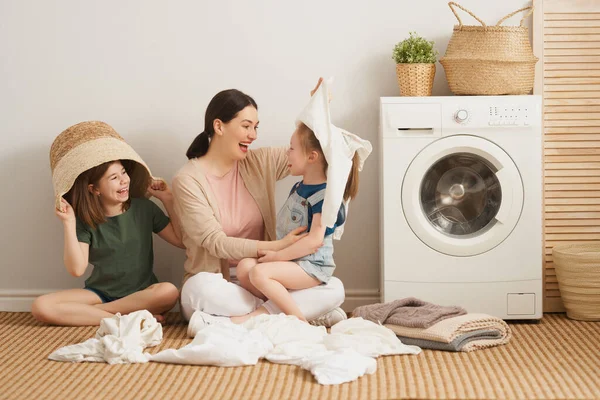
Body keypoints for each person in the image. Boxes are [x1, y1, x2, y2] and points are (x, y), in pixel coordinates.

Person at [172, 80, 347, 335]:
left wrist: (318, 112)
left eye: (255, 127)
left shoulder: (258, 161)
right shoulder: (187, 180)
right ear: (219, 126)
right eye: (246, 126)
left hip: (262, 275)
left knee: (336, 287)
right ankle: (295, 312)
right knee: (199, 289)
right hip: (221, 283)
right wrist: (275, 248)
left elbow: (310, 153)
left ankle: (239, 321)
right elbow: (215, 242)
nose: (253, 135)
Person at [227, 121, 361, 324]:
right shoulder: (299, 188)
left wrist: (277, 257)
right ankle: (304, 312)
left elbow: (314, 240)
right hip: (292, 262)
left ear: (312, 157)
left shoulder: (324, 196)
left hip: (312, 266)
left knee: (259, 273)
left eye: (291, 148)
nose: (287, 153)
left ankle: (298, 321)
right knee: (245, 267)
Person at [32, 157, 184, 326]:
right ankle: (126, 319)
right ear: (95, 189)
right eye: (114, 178)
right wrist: (69, 223)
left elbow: (180, 240)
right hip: (99, 292)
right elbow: (76, 269)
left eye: (123, 172)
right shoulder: (85, 221)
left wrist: (168, 198)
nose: (124, 180)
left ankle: (101, 313)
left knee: (169, 292)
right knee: (41, 306)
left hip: (142, 295)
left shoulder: (144, 208)